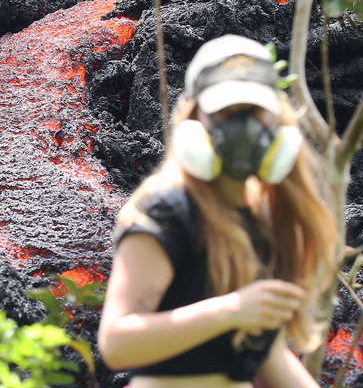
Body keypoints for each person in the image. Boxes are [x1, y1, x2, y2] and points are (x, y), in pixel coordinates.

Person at [97, 35, 337, 388]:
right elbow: (118, 344)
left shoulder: (261, 219)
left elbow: (265, 356)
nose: (243, 129)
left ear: (276, 121)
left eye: (255, 112)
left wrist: (241, 313)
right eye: (226, 112)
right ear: (194, 119)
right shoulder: (166, 212)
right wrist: (232, 310)